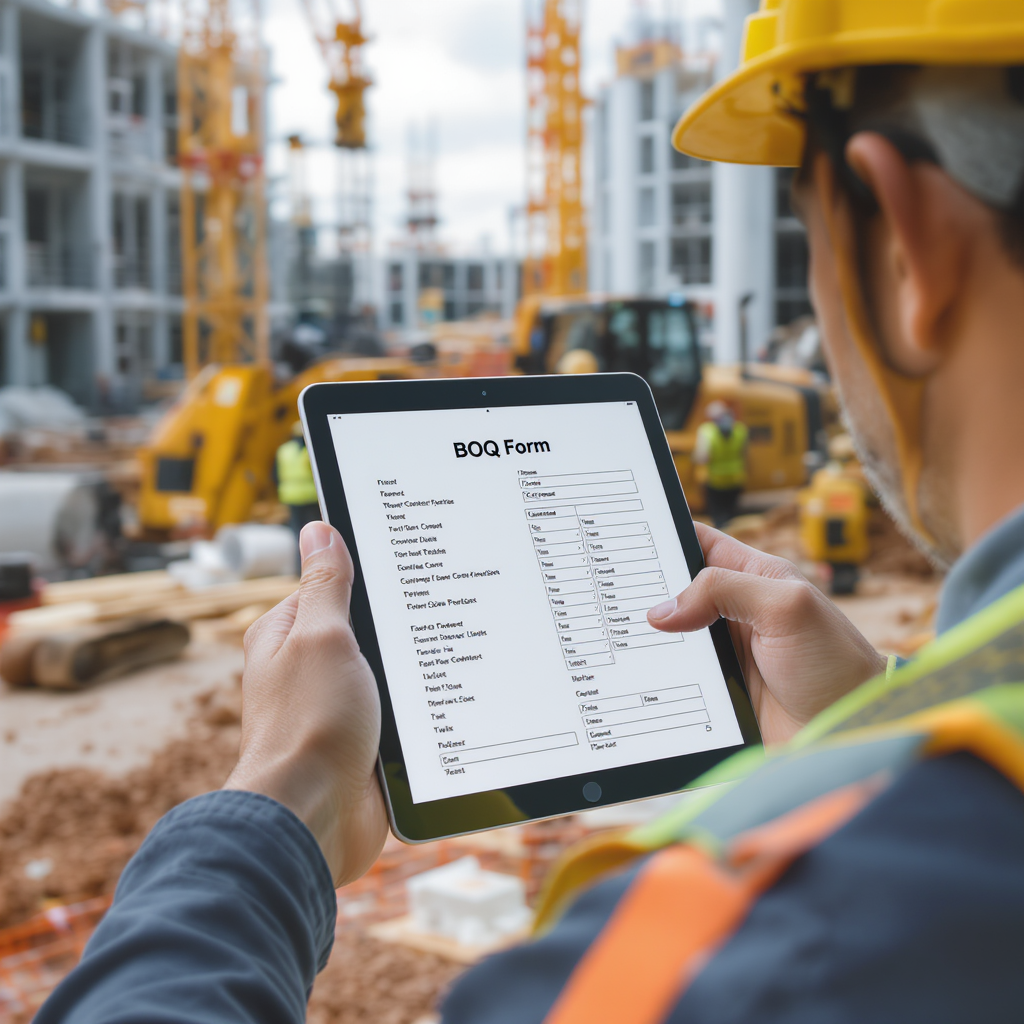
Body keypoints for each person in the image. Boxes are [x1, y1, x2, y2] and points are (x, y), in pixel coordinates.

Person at [35, 3, 1024, 1021]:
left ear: (909, 241)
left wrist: (280, 796)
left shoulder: (743, 950)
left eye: (805, 229)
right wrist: (877, 713)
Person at [694, 400, 748, 528]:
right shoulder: (740, 430)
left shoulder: (707, 432)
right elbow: (745, 455)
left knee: (718, 518)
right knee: (731, 517)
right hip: (736, 479)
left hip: (716, 481)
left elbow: (702, 457)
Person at [276, 422, 321, 540]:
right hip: (311, 495)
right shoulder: (310, 449)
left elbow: (275, 474)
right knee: (315, 530)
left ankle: (299, 556)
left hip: (291, 495)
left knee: (297, 530)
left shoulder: (284, 450)